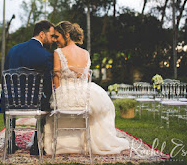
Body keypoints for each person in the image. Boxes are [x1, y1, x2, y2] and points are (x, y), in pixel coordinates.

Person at [43, 21, 130, 155]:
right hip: (85, 96)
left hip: (65, 97)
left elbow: (56, 77)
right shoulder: (85, 53)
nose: (55, 40)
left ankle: (62, 144)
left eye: (57, 36)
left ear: (66, 35)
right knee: (98, 108)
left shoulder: (58, 52)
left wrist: (57, 95)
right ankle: (86, 142)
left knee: (52, 109)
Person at [0, 19, 56, 155]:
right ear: (42, 34)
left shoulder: (13, 50)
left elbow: (4, 78)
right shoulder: (47, 56)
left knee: (6, 95)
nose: (53, 40)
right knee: (48, 100)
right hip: (34, 103)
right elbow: (48, 85)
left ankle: (11, 142)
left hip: (10, 101)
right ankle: (36, 144)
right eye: (51, 35)